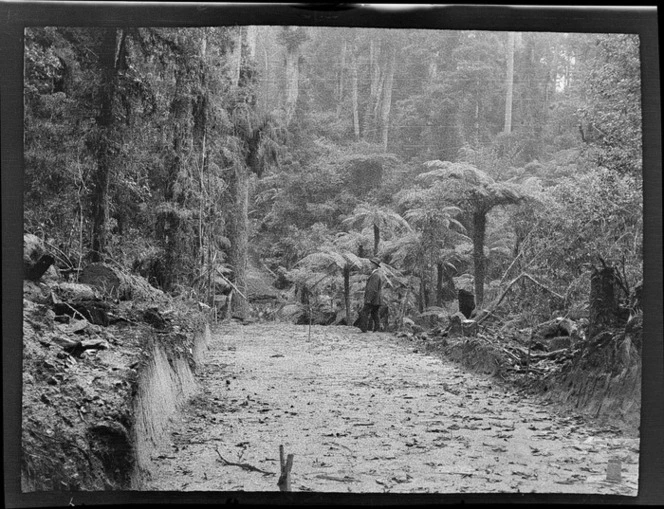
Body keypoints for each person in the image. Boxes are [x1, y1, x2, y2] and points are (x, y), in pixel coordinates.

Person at [360, 257, 383, 332]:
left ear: (375, 265)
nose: (370, 265)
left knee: (364, 312)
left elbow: (373, 289)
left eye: (372, 263)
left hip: (373, 299)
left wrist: (369, 299)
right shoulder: (376, 274)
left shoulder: (375, 275)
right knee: (374, 313)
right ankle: (377, 329)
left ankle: (363, 329)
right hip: (376, 299)